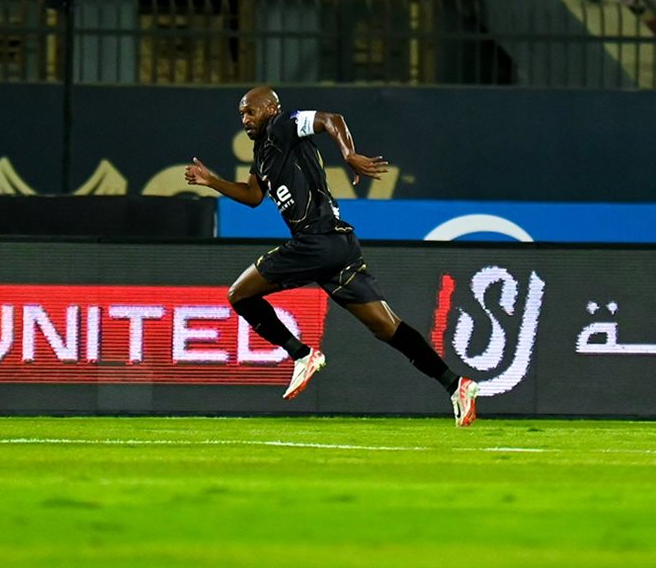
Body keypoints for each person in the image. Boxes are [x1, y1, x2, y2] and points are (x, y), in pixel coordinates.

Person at [185, 86, 479, 427]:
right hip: (339, 246)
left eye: (251, 111)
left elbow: (330, 119)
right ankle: (456, 384)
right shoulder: (263, 152)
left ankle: (302, 354)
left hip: (316, 241)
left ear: (271, 108)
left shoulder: (283, 125)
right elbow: (252, 196)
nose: (245, 119)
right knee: (386, 326)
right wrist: (212, 181)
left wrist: (349, 154)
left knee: (239, 294)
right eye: (241, 114)